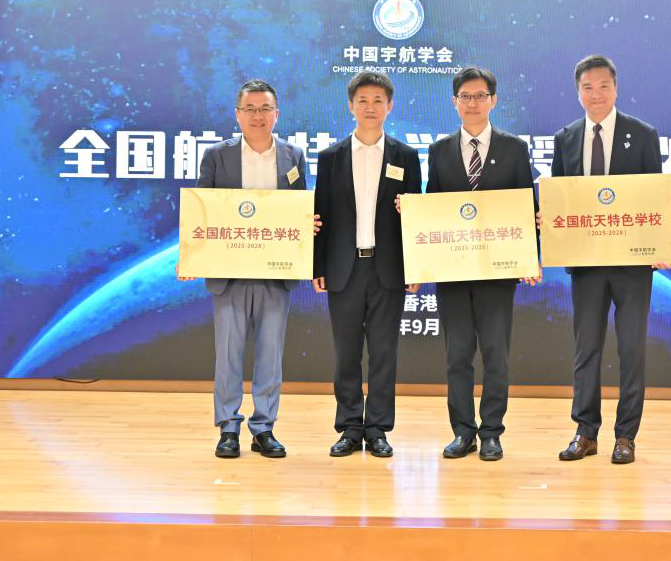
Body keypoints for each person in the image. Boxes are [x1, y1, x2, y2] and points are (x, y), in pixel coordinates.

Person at [551, 55, 671, 464]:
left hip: (631, 266)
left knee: (631, 349)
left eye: (603, 86)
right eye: (588, 87)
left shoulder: (642, 135)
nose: (596, 94)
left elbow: (654, 198)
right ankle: (585, 432)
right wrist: (547, 220)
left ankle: (626, 436)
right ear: (578, 93)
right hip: (586, 264)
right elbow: (559, 198)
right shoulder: (565, 138)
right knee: (585, 349)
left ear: (616, 88)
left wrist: (661, 245)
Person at [177, 79, 310, 459]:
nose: (257, 116)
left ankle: (264, 427)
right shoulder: (216, 156)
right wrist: (191, 256)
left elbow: (301, 208)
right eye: (249, 109)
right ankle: (228, 427)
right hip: (229, 273)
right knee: (228, 354)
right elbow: (201, 209)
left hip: (275, 272)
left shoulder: (293, 156)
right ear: (237, 115)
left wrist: (308, 225)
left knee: (270, 354)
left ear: (276, 114)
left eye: (265, 108)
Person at [422, 66, 539, 461]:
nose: (472, 103)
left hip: (498, 270)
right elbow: (433, 208)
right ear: (454, 102)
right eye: (465, 96)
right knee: (456, 355)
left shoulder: (514, 148)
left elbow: (525, 205)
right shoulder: (439, 150)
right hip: (453, 271)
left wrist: (530, 258)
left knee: (495, 354)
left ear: (493, 100)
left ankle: (491, 432)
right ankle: (462, 432)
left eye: (480, 96)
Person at [312, 71, 423, 458]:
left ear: (389, 106)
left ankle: (377, 428)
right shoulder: (330, 157)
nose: (370, 107)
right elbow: (320, 215)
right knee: (346, 353)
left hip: (388, 269)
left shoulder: (405, 157)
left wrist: (415, 268)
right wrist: (317, 266)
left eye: (378, 100)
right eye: (363, 100)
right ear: (350, 106)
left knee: (383, 352)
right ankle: (348, 426)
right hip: (343, 268)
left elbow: (416, 217)